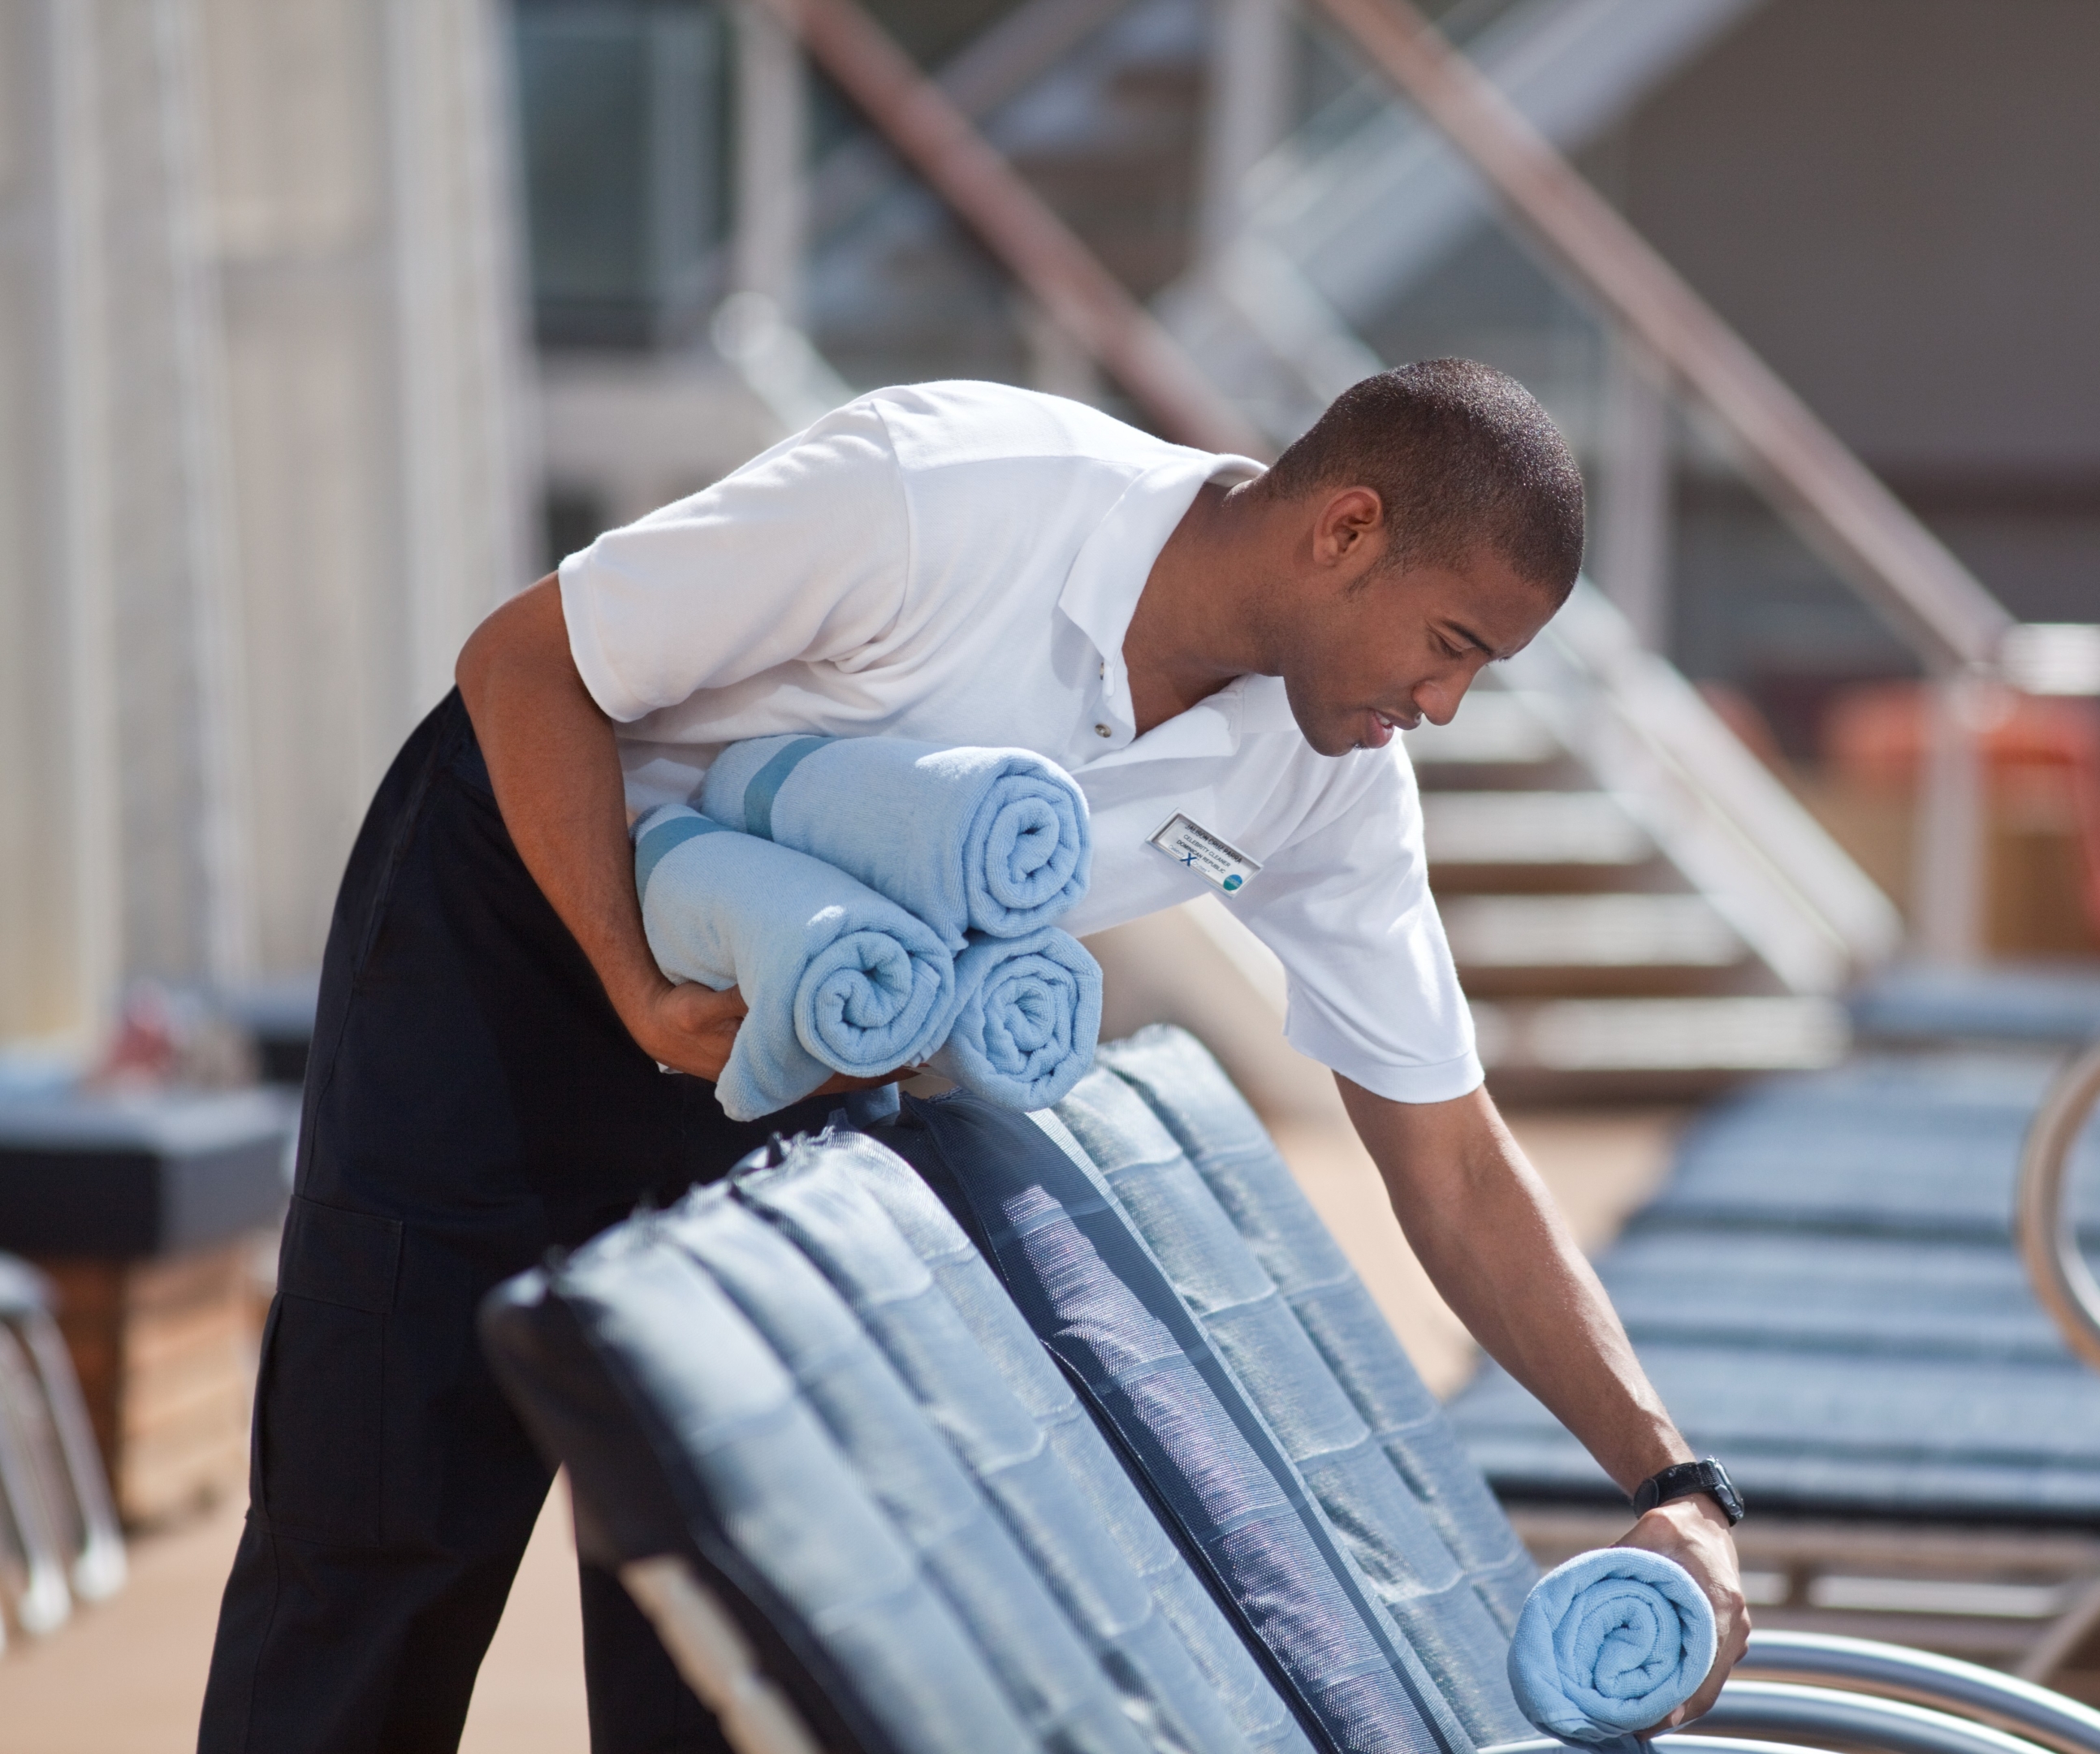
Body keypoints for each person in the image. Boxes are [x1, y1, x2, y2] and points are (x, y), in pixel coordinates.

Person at [197, 359, 1752, 1753]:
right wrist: (626, 977)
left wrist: (1670, 1480)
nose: (1446, 705)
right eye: (1452, 644)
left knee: (720, 1599)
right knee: (385, 1529)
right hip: (521, 924)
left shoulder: (1325, 776)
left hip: (815, 1011)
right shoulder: (942, 497)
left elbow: (1455, 1158)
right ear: (1345, 532)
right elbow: (523, 663)